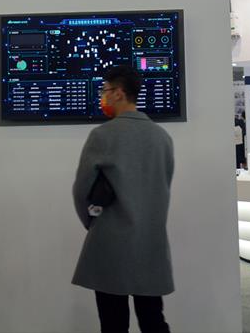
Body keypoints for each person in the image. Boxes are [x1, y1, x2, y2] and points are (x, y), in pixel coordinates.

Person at [72, 65, 174, 333]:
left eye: (105, 90)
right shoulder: (162, 138)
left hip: (110, 244)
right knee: (153, 320)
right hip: (150, 243)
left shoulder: (102, 136)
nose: (102, 96)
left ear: (118, 93)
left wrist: (93, 224)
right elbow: (164, 186)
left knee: (113, 324)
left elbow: (81, 191)